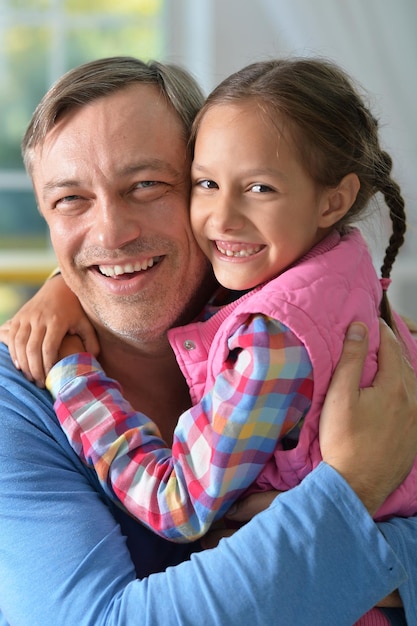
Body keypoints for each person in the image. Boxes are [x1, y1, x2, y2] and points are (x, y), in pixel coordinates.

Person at [0, 57, 417, 626]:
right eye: (70, 199)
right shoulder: (13, 405)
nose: (111, 233)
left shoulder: (336, 339)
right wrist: (350, 494)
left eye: (148, 184)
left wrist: (336, 546)